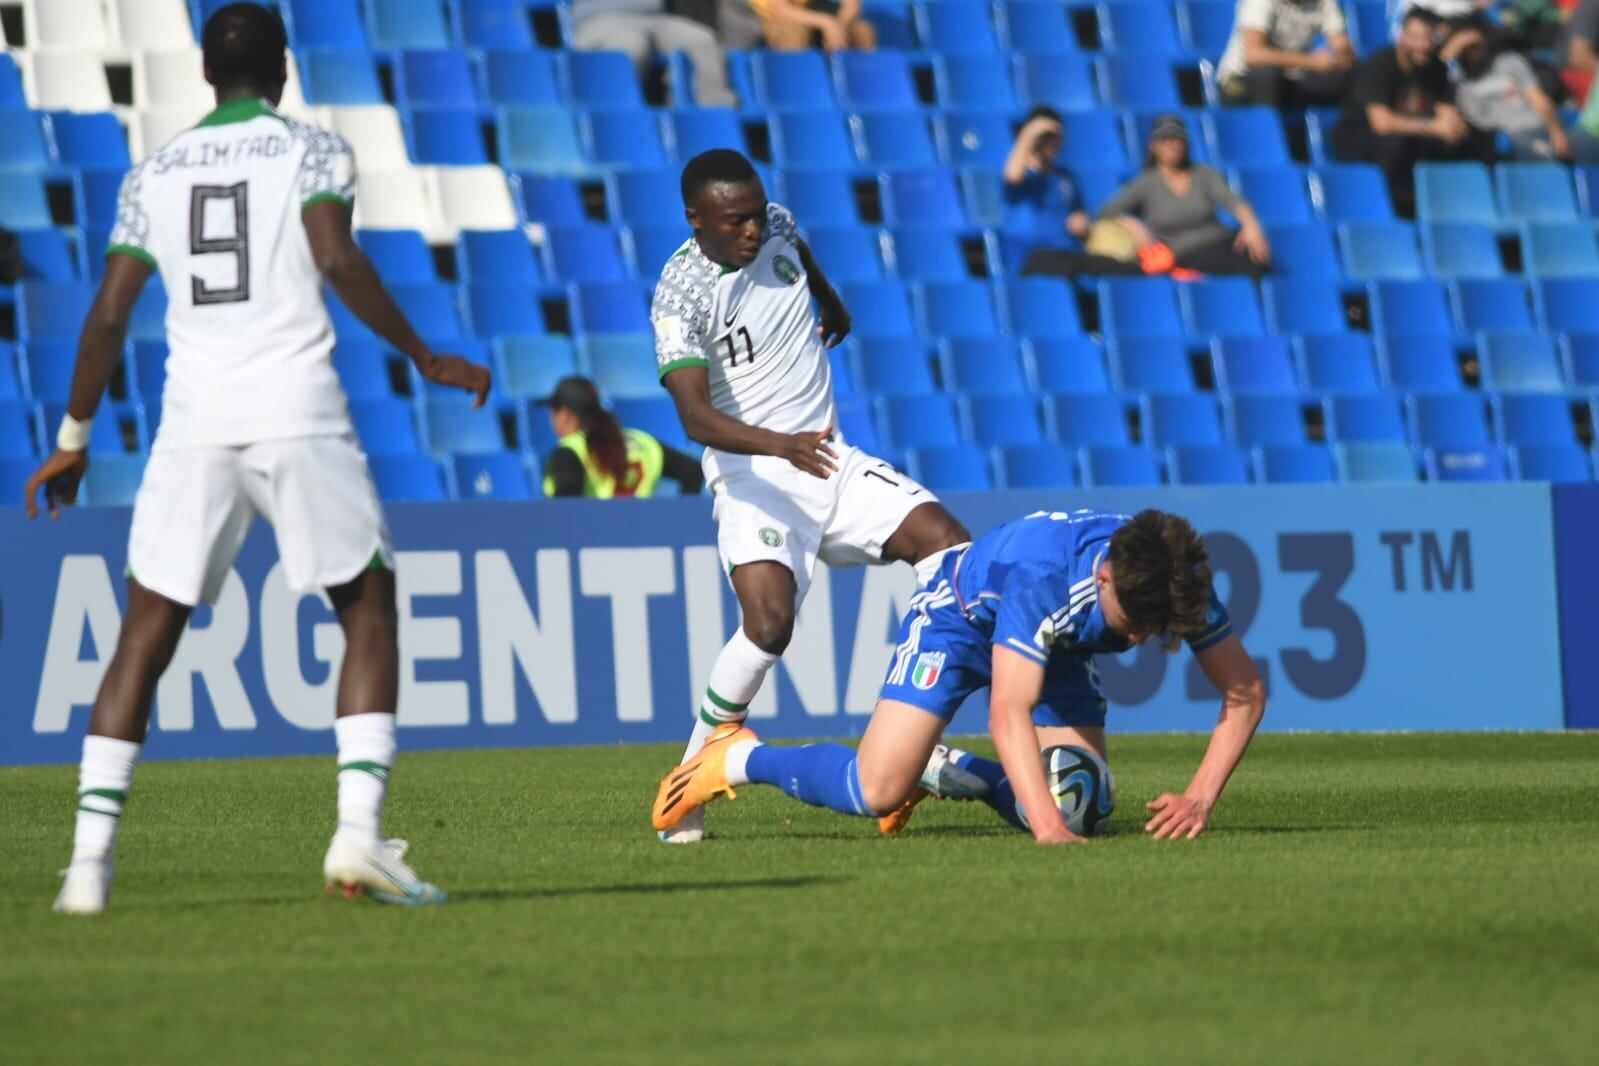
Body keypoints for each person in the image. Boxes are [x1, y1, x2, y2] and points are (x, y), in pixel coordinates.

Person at [25, 3, 492, 915]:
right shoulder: (311, 149)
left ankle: (86, 868)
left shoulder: (151, 173)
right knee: (366, 605)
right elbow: (335, 255)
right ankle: (357, 834)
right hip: (294, 408)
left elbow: (110, 316)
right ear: (281, 68)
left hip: (195, 420)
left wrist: (72, 439)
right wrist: (424, 355)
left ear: (205, 73)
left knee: (143, 635)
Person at [650, 149, 971, 843]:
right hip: (754, 476)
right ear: (695, 221)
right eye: (734, 221)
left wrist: (832, 302)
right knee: (768, 625)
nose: (752, 230)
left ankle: (906, 752)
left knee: (951, 551)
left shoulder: (775, 225)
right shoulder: (679, 295)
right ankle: (688, 782)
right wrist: (777, 444)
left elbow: (797, 249)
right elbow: (694, 420)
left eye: (756, 214)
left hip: (829, 460)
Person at [653, 509, 1267, 845]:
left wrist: (1199, 798)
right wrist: (1047, 832)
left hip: (1055, 645)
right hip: (960, 619)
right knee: (875, 791)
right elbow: (1008, 713)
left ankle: (949, 772)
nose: (1138, 638)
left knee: (1085, 802)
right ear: (1104, 577)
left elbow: (1246, 692)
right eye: (1134, 622)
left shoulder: (1173, 578)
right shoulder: (1045, 578)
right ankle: (739, 756)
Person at [1331, 7, 1488, 217]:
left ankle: (1459, 211)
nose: (1422, 45)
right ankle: (1384, 211)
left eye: (1428, 38)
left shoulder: (1436, 67)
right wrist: (1435, 127)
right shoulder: (1380, 63)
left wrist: (1452, 128)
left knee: (1473, 139)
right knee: (1396, 143)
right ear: (1402, 36)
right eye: (1415, 38)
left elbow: (1446, 113)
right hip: (1360, 139)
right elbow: (1382, 123)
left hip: (1411, 135)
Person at [1097, 114, 1272, 277]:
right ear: (1153, 145)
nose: (1173, 144)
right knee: (1242, 267)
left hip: (1218, 241)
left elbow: (1231, 199)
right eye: (1166, 139)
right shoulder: (1146, 182)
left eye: (1177, 139)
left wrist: (1251, 224)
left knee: (1256, 255)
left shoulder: (1203, 174)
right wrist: (1134, 225)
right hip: (1183, 253)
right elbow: (1107, 211)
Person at [1442, 19, 1599, 160]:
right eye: (1466, 48)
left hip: (1537, 129)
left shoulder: (1509, 62)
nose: (1473, 53)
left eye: (1476, 46)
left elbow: (1539, 99)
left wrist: (1557, 131)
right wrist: (1453, 49)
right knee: (1539, 154)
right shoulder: (1452, 75)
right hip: (1501, 138)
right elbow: (1434, 76)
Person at [539, 374, 704, 497]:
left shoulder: (570, 452)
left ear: (565, 415)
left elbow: (565, 513)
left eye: (553, 412)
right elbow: (692, 470)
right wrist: (679, 522)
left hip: (596, 539)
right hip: (646, 537)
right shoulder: (641, 442)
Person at [570, 0, 737, 107]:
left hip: (654, 18)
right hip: (600, 19)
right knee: (630, 47)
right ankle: (620, 115)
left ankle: (713, 112)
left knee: (701, 39)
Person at [1216, 0, 1356, 109]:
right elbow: (1254, 55)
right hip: (1240, 80)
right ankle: (1267, 138)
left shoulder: (1324, 3)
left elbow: (1341, 44)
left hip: (1291, 78)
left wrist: (1338, 56)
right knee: (1266, 75)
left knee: (1355, 74)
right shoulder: (1259, 2)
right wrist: (1312, 62)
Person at [1002, 107, 1091, 268]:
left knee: (1114, 267)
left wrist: (1082, 224)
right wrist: (1029, 133)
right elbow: (1013, 176)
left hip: (1067, 253)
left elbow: (1079, 213)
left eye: (1056, 137)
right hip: (1031, 256)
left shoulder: (1065, 176)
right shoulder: (1021, 172)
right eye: (1046, 136)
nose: (1052, 142)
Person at [741, 0, 877, 52]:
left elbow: (852, 5)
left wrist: (838, 27)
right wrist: (827, 23)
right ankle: (797, 92)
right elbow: (780, 10)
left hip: (813, 12)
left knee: (862, 30)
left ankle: (870, 93)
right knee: (794, 33)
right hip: (767, 17)